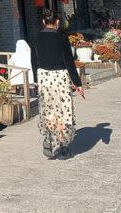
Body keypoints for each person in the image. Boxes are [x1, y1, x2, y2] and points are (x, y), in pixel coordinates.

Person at [29, 9, 84, 160]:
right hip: (60, 77)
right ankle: (62, 147)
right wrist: (77, 83)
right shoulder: (61, 37)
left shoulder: (36, 37)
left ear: (43, 22)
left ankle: (49, 136)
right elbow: (69, 62)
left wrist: (36, 79)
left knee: (48, 109)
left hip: (44, 78)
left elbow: (34, 61)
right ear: (57, 22)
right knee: (63, 111)